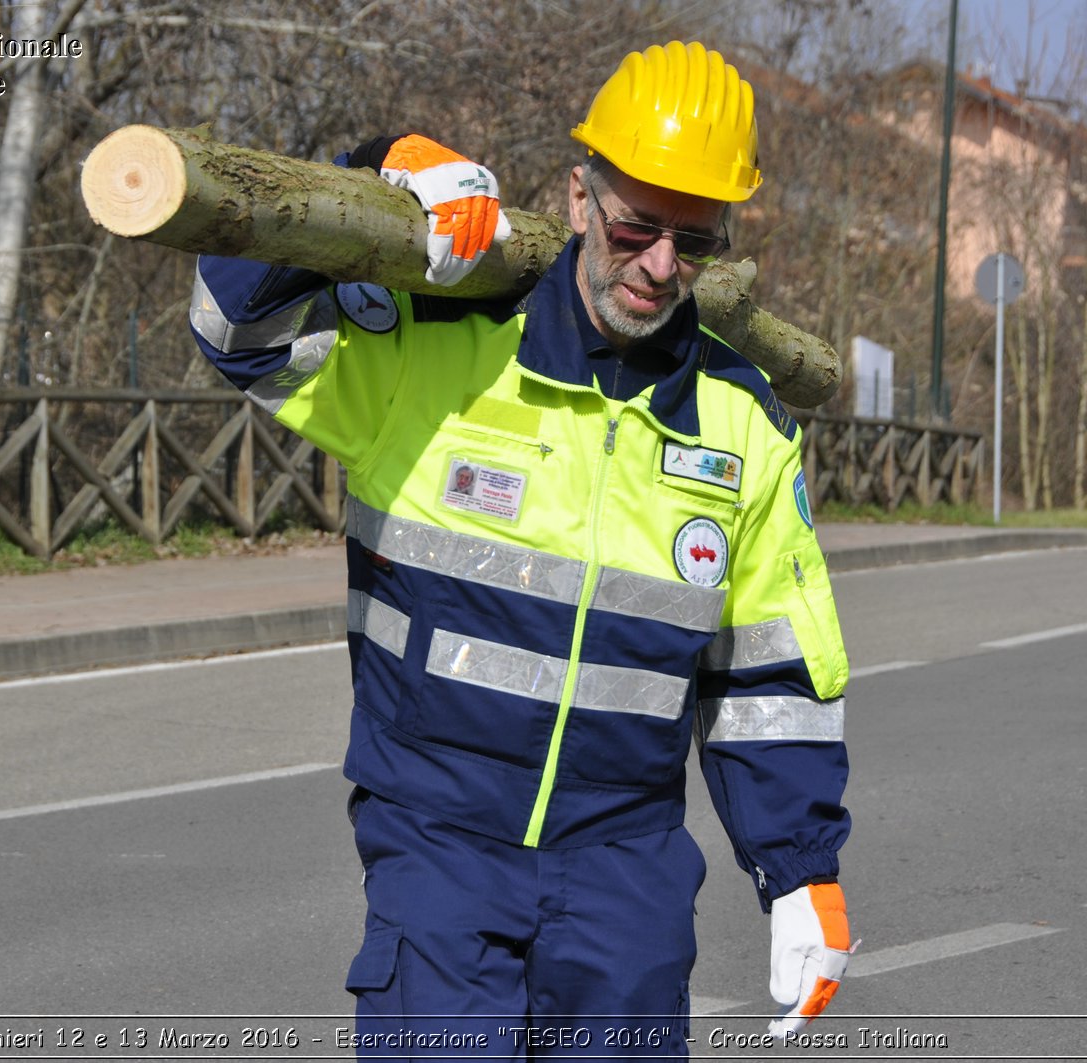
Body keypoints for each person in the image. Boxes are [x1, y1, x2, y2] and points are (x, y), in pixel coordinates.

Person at [190, 41, 852, 1053]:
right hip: (438, 844)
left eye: (696, 242)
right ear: (578, 197)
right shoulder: (436, 348)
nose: (662, 266)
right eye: (635, 228)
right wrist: (384, 167)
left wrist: (800, 869)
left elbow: (770, 674)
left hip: (625, 869)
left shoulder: (744, 423)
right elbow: (235, 326)